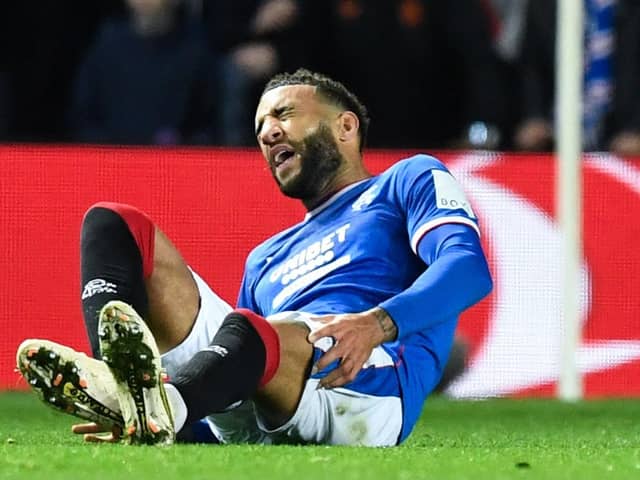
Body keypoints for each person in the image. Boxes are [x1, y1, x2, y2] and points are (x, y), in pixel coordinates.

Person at [17, 69, 492, 446]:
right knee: (115, 223)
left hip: (367, 388)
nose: (268, 133)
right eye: (260, 127)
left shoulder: (406, 181)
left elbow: (466, 267)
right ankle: (126, 392)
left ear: (345, 126)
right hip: (277, 386)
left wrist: (375, 324)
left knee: (253, 329)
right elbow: (236, 374)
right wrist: (190, 420)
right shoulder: (265, 257)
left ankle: (160, 403)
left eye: (283, 114)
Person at [69, 0, 218, 145]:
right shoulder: (106, 47)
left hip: (173, 163)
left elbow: (207, 123)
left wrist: (182, 144)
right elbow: (83, 116)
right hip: (109, 161)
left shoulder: (195, 52)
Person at [514, 0, 640, 155]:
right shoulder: (544, 5)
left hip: (623, 142)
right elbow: (531, 68)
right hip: (554, 141)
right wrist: (534, 116)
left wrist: (636, 128)